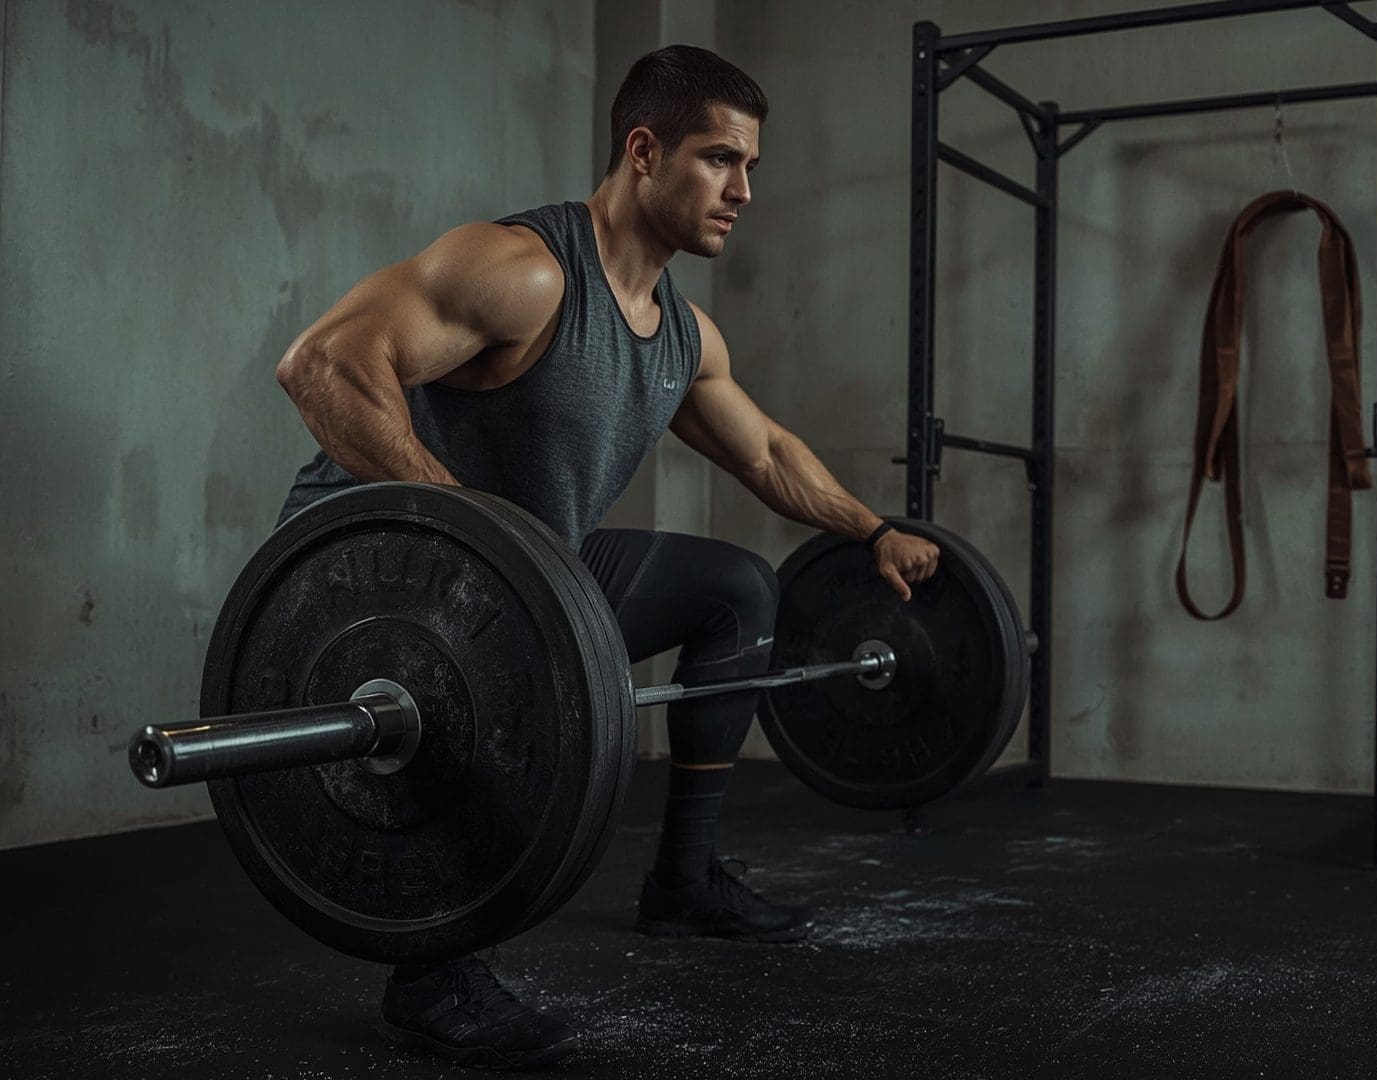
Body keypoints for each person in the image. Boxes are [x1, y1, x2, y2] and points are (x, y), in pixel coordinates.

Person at [270, 45, 940, 1070]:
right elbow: (322, 363)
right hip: (372, 586)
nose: (744, 190)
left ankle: (685, 881)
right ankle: (433, 974)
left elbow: (764, 451)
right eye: (721, 159)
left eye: (750, 166)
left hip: (527, 577)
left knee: (733, 590)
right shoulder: (526, 272)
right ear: (643, 150)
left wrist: (872, 530)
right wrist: (479, 541)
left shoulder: (683, 338)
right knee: (496, 708)